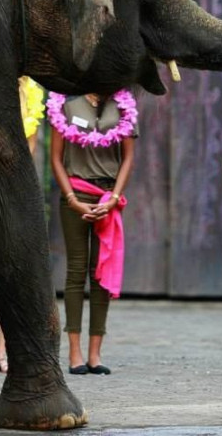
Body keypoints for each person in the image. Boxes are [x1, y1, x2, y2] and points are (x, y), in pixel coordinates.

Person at [48, 88, 138, 375]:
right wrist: (72, 200)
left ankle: (95, 355)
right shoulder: (65, 103)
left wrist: (113, 198)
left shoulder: (123, 105)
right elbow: (56, 159)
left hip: (107, 196)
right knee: (76, 272)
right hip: (75, 193)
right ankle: (74, 353)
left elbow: (127, 159)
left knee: (101, 274)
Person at [0, 76, 44, 374]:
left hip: (13, 190)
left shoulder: (31, 93)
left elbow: (29, 149)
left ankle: (5, 350)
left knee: (11, 272)